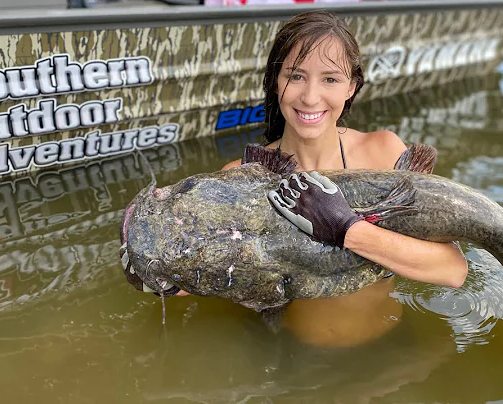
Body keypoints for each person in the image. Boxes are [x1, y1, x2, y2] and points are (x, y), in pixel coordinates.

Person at [176, 10, 468, 347]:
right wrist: (165, 276)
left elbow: (452, 270)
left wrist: (347, 230)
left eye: (330, 79)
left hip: (391, 348)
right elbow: (206, 267)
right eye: (296, 76)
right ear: (276, 81)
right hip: (296, 362)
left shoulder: (383, 154)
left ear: (351, 87)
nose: (311, 97)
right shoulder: (241, 178)